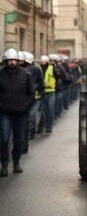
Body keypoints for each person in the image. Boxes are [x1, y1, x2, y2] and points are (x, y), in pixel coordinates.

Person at [0, 48, 34, 176]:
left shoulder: (26, 74)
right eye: (10, 60)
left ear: (18, 61)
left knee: (18, 139)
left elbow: (31, 94)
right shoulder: (0, 74)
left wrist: (25, 107)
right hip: (5, 113)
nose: (12, 62)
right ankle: (4, 163)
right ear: (6, 61)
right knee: (3, 139)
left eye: (14, 60)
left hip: (20, 114)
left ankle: (16, 162)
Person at [37, 55, 56, 134]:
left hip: (50, 91)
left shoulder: (52, 68)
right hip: (41, 92)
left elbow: (58, 77)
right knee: (41, 111)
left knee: (50, 110)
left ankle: (49, 126)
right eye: (42, 61)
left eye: (44, 61)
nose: (43, 62)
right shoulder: (38, 69)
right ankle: (40, 127)